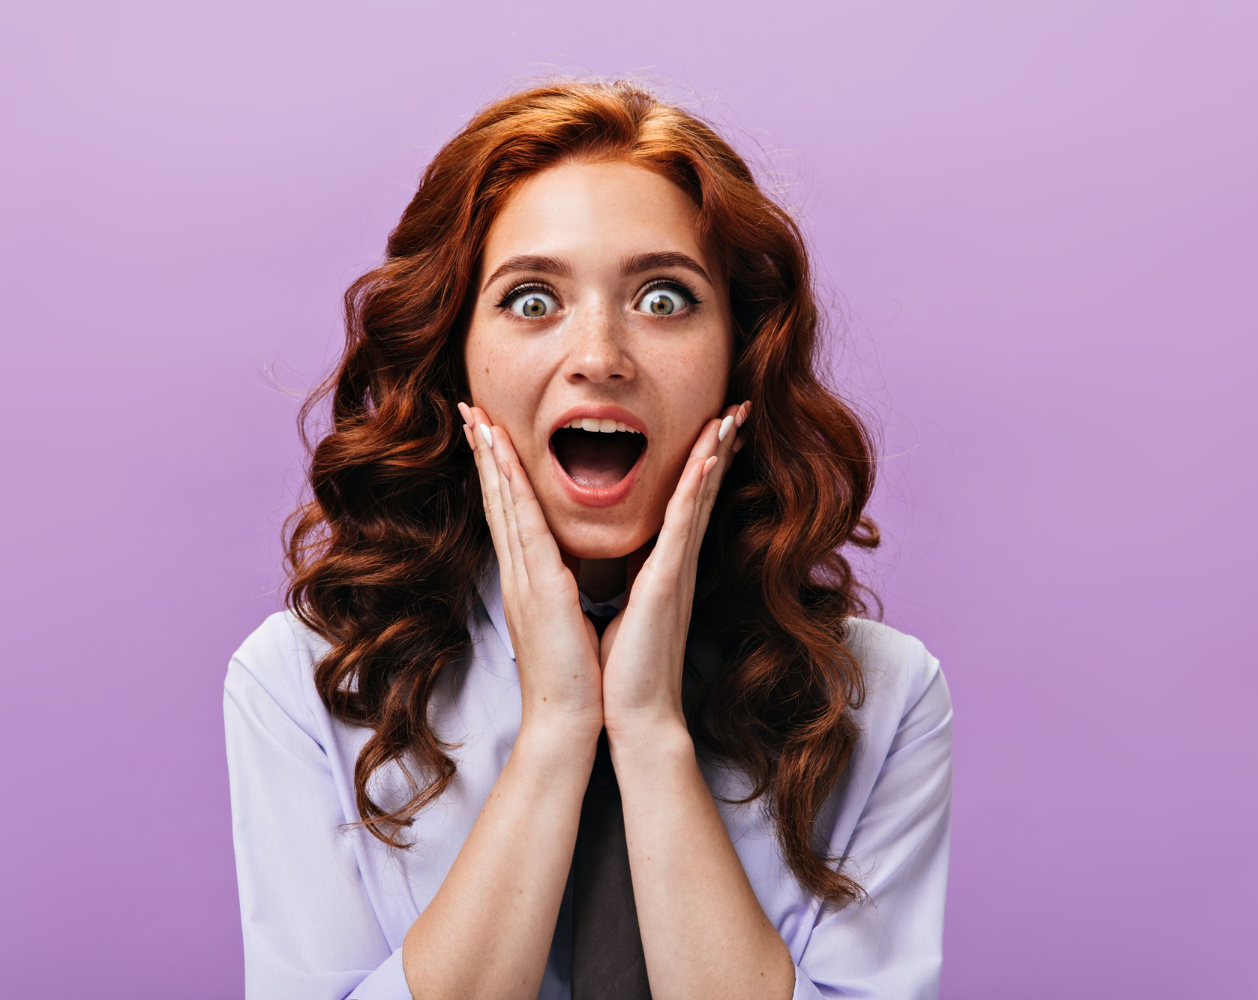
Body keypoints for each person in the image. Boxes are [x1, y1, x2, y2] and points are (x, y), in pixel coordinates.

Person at [223, 78, 953, 1000]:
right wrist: (559, 731)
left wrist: (648, 733)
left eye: (664, 298)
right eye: (532, 301)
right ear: (456, 357)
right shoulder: (303, 686)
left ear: (743, 353)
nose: (600, 355)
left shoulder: (883, 703)